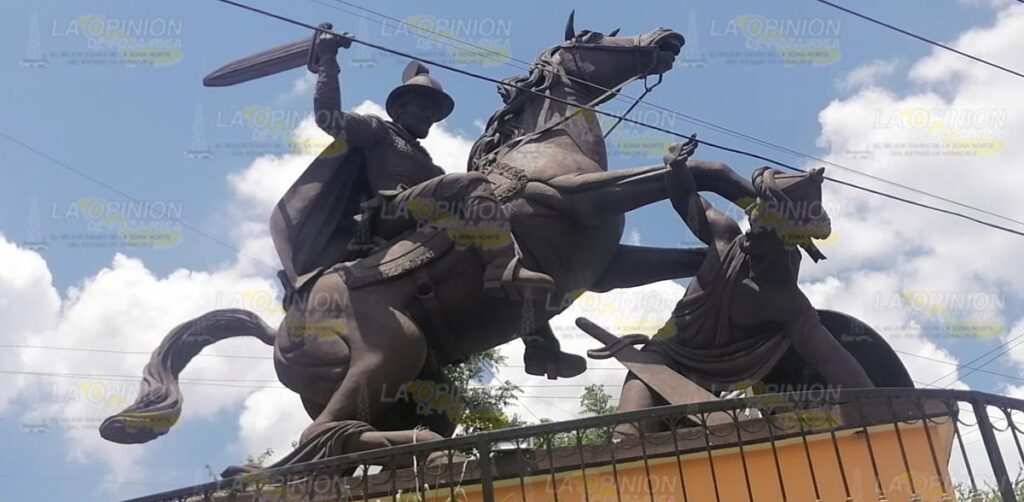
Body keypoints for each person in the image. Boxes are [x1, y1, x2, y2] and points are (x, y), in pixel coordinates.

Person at [614, 139, 874, 432]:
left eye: (764, 226)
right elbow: (688, 199)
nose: (752, 225)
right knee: (627, 434)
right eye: (755, 216)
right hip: (664, 357)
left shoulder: (786, 303)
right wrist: (674, 168)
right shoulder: (724, 238)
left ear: (786, 240)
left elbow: (836, 363)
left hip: (713, 388)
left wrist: (878, 414)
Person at [310, 31, 555, 297]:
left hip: (422, 214)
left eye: (434, 111)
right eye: (423, 106)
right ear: (399, 109)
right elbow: (329, 119)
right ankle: (502, 266)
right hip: (389, 214)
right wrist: (327, 59)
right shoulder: (378, 130)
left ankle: (533, 326)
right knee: (470, 183)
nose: (430, 115)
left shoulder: (428, 163)